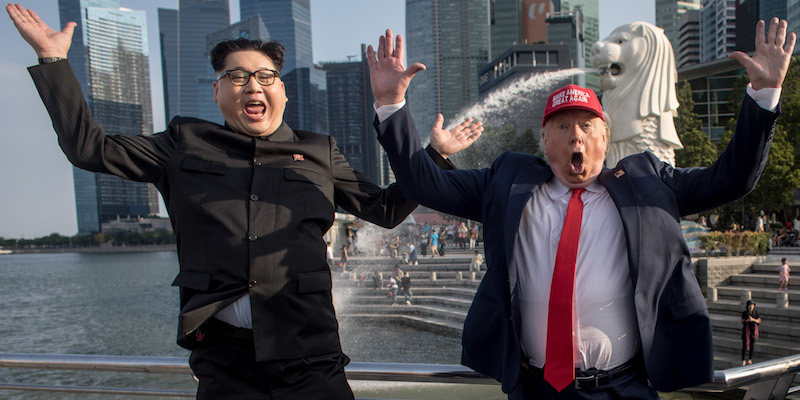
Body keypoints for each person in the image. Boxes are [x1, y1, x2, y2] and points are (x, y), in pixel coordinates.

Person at [4, 4, 475, 399]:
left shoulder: (318, 149)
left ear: (283, 92)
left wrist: (432, 155)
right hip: (223, 360)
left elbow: (386, 210)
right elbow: (89, 148)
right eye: (238, 76)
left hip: (310, 354)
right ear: (217, 91)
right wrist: (53, 62)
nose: (253, 85)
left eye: (266, 76)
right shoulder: (183, 142)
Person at [367, 17, 793, 399]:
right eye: (563, 126)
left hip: (623, 388)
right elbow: (423, 182)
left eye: (587, 126)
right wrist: (391, 106)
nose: (576, 137)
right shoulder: (507, 183)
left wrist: (764, 95)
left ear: (605, 139)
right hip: (536, 388)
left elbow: (734, 178)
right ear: (545, 140)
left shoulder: (648, 183)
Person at [741, 300, 761, 365]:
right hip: (746, 331)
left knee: (752, 345)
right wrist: (747, 320)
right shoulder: (745, 313)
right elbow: (742, 321)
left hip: (753, 331)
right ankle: (743, 359)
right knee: (744, 345)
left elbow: (759, 320)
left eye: (752, 305)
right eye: (750, 305)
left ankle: (750, 358)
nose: (751, 307)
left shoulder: (755, 313)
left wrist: (753, 320)